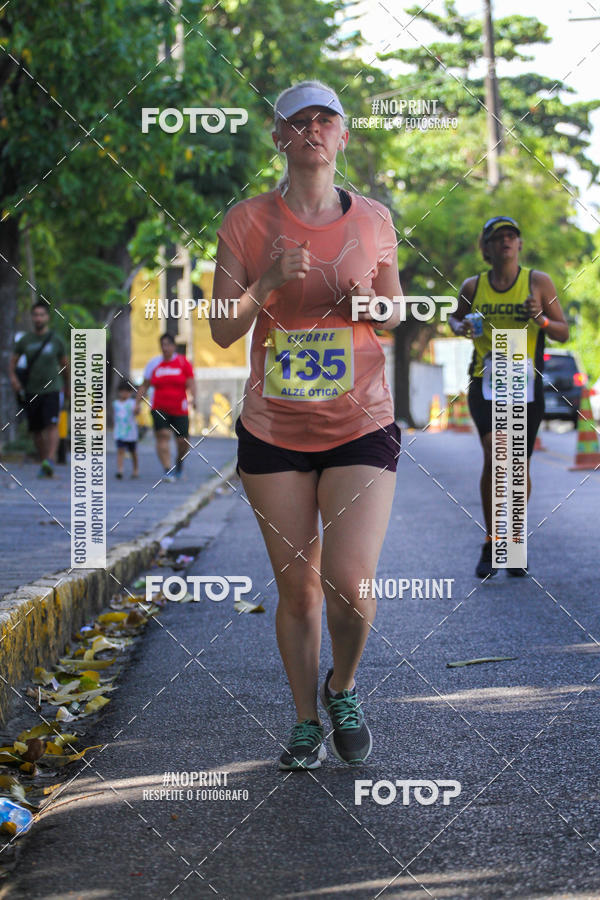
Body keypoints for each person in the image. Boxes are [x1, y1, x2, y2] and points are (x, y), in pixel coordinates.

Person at [211, 80, 403, 771]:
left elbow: (396, 311)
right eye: (299, 121)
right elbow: (223, 330)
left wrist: (367, 308)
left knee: (350, 585)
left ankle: (342, 687)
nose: (313, 129)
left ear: (344, 135)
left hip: (361, 424)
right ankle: (302, 721)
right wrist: (264, 282)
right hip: (274, 432)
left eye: (326, 119)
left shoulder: (375, 220)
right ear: (280, 137)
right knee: (297, 588)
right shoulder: (245, 221)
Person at [448, 216, 569, 578]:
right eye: (497, 237)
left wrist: (542, 320)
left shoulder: (538, 282)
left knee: (517, 465)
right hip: (485, 382)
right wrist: (462, 326)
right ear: (485, 248)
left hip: (524, 385)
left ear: (519, 245)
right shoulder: (473, 286)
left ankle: (513, 540)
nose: (505, 242)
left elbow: (563, 333)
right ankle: (491, 541)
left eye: (511, 236)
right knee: (496, 452)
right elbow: (453, 320)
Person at [9, 301, 69, 478]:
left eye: (41, 315)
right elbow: (11, 364)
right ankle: (45, 461)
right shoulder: (25, 341)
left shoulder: (56, 340)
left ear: (47, 317)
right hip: (31, 389)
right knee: (35, 429)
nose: (38, 318)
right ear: (32, 317)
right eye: (35, 315)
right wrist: (14, 379)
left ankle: (50, 460)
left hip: (53, 388)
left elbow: (65, 365)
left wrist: (68, 387)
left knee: (52, 424)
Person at [135, 334, 195, 482]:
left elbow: (191, 382)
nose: (165, 347)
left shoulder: (183, 363)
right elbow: (145, 385)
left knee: (183, 440)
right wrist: (137, 403)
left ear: (174, 346)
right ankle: (168, 469)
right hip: (159, 407)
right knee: (162, 436)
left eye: (168, 344)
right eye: (162, 344)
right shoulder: (154, 364)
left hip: (179, 408)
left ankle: (179, 463)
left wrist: (194, 398)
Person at [113, 380, 139, 479]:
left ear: (131, 392)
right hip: (119, 432)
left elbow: (137, 412)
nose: (124, 394)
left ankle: (135, 469)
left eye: (127, 391)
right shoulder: (115, 404)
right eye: (122, 391)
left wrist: (137, 408)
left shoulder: (132, 403)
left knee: (133, 452)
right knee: (120, 450)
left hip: (131, 433)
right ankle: (120, 469)